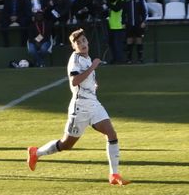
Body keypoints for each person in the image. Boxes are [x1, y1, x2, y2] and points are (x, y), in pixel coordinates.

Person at [25, 28, 126, 185]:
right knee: (66, 144)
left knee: (111, 134)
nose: (82, 44)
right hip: (80, 108)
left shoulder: (86, 57)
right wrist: (93, 67)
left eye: (83, 40)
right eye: (77, 42)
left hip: (94, 104)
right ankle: (36, 153)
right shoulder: (75, 60)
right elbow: (74, 80)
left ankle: (114, 175)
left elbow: (85, 79)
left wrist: (93, 83)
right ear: (73, 46)